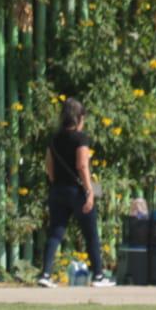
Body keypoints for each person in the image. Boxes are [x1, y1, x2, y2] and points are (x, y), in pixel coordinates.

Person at [36, 99, 115, 288]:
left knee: (56, 232)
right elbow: (82, 165)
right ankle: (98, 275)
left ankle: (45, 274)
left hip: (58, 190)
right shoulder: (81, 138)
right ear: (80, 118)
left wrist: (57, 182)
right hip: (77, 191)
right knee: (91, 234)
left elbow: (49, 166)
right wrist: (89, 191)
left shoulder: (54, 139)